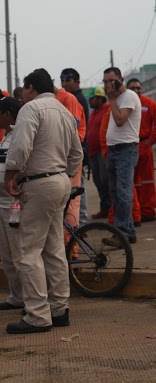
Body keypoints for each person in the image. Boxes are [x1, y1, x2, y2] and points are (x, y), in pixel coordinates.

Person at [4, 69, 82, 334]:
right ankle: (59, 309)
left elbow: (21, 146)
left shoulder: (31, 108)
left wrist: (11, 173)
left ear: (29, 88)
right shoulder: (63, 111)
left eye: (24, 90)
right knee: (53, 248)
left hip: (38, 183)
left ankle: (37, 314)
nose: (22, 95)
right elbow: (76, 153)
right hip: (60, 181)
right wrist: (65, 173)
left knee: (27, 251)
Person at [103, 66, 141, 245]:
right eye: (105, 82)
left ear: (121, 79)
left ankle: (121, 234)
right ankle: (129, 231)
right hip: (113, 150)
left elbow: (119, 121)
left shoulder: (129, 97)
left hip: (126, 149)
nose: (108, 84)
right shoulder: (117, 98)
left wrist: (111, 99)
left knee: (123, 192)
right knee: (116, 193)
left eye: (112, 81)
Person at [126, 78, 156, 223]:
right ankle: (135, 211)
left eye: (138, 88)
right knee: (131, 181)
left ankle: (148, 211)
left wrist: (150, 141)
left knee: (147, 181)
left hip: (145, 145)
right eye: (133, 88)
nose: (136, 90)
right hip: (129, 146)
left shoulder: (149, 104)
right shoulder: (124, 104)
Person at [54, 82, 86, 245]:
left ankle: (71, 248)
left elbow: (72, 128)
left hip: (69, 157)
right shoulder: (56, 100)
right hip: (60, 157)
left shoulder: (68, 99)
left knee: (70, 203)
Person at [0, 97, 24, 312]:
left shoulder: (19, 135)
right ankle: (16, 296)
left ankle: (28, 298)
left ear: (7, 113)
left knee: (19, 253)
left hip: (13, 204)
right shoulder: (6, 136)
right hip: (1, 202)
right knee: (7, 254)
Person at [60, 68, 90, 225]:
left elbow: (74, 128)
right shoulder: (71, 98)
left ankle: (81, 224)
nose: (64, 84)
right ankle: (81, 223)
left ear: (77, 82)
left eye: (68, 80)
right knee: (77, 190)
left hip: (77, 151)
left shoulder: (75, 99)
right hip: (78, 150)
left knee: (77, 192)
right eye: (62, 81)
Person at [88, 87, 111, 219]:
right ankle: (105, 208)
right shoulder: (94, 113)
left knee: (105, 181)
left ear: (99, 98)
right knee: (99, 182)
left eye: (92, 99)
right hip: (93, 153)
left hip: (102, 152)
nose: (90, 101)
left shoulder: (107, 110)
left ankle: (109, 208)